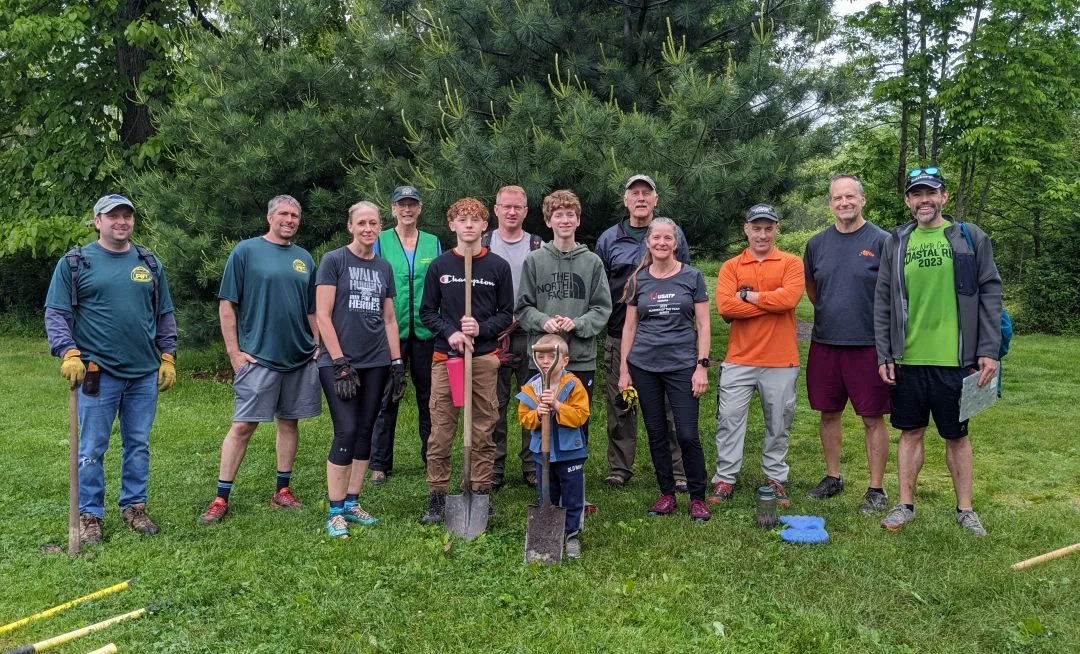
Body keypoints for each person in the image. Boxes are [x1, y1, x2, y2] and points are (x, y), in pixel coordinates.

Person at [874, 167, 1002, 536]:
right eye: (916, 194)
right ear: (908, 201)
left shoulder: (968, 237)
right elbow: (883, 300)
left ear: (944, 196)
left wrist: (988, 349)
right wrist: (885, 353)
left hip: (957, 359)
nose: (924, 200)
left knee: (957, 435)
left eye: (931, 193)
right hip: (908, 358)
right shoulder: (896, 242)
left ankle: (965, 510)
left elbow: (990, 293)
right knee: (910, 432)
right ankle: (904, 505)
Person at [44, 194, 177, 544]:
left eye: (127, 216)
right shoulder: (75, 263)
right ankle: (90, 515)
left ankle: (134, 507)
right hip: (97, 373)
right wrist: (68, 353)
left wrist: (168, 356)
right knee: (92, 447)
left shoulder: (147, 261)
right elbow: (56, 313)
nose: (121, 222)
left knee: (138, 443)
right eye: (113, 216)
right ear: (97, 220)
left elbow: (164, 313)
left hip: (143, 373)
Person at [199, 194, 321, 525]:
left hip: (298, 357)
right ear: (270, 217)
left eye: (295, 215)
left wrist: (318, 343)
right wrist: (234, 353)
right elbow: (227, 305)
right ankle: (221, 497)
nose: (290, 219)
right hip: (259, 357)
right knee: (242, 425)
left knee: (289, 422)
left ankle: (282, 491)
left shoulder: (304, 259)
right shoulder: (246, 252)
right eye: (283, 213)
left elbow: (311, 308)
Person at [417, 197, 514, 524]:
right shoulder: (441, 266)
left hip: (484, 358)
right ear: (452, 225)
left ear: (485, 225)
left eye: (475, 219)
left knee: (484, 427)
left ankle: (479, 492)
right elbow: (427, 312)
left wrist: (482, 328)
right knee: (441, 429)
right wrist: (453, 331)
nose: (469, 224)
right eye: (462, 219)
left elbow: (507, 313)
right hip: (448, 359)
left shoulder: (497, 267)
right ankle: (438, 496)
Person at [803, 175, 892, 514]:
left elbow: (893, 293)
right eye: (837, 198)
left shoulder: (882, 240)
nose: (844, 203)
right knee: (829, 412)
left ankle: (876, 488)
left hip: (868, 344)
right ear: (830, 204)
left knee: (872, 417)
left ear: (862, 200)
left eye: (850, 196)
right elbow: (814, 290)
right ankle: (833, 476)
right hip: (826, 341)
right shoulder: (816, 244)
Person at [315, 201, 404, 538]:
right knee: (346, 430)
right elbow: (323, 315)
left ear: (380, 227)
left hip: (376, 361)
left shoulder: (383, 267)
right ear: (350, 225)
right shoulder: (335, 261)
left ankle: (353, 502)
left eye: (374, 223)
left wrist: (396, 364)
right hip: (340, 363)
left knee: (366, 429)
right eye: (362, 223)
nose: (368, 229)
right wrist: (339, 362)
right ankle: (335, 509)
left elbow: (389, 318)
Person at [595, 174, 687, 490]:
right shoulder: (609, 239)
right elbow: (600, 287)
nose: (641, 198)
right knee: (620, 402)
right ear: (626, 200)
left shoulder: (671, 234)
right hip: (621, 331)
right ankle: (620, 468)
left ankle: (677, 469)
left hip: (663, 334)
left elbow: (683, 278)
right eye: (634, 193)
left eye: (647, 193)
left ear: (656, 200)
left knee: (670, 405)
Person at [617, 218, 712, 522]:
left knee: (686, 434)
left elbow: (704, 324)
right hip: (644, 366)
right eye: (655, 238)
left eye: (667, 238)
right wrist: (624, 370)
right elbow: (629, 327)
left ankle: (697, 497)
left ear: (676, 243)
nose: (661, 243)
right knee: (656, 432)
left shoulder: (692, 277)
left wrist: (702, 366)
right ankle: (667, 494)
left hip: (682, 365)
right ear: (648, 243)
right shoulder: (638, 280)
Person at [710, 204, 804, 508]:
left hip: (781, 359)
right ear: (746, 229)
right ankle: (725, 478)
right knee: (729, 419)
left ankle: (775, 477)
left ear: (776, 229)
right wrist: (771, 302)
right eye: (756, 227)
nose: (762, 234)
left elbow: (790, 299)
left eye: (768, 228)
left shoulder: (791, 262)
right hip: (739, 358)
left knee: (779, 422)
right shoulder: (731, 266)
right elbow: (726, 308)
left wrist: (748, 296)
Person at [516, 188, 611, 472]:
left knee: (576, 416)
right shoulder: (535, 260)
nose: (565, 220)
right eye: (559, 215)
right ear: (548, 221)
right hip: (543, 359)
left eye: (570, 215)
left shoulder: (592, 262)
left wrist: (578, 323)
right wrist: (542, 320)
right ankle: (540, 471)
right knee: (540, 413)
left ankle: (574, 473)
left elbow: (602, 307)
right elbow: (523, 307)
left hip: (579, 356)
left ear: (578, 220)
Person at [369, 185, 441, 485]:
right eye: (402, 205)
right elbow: (372, 280)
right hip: (391, 331)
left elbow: (440, 283)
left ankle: (432, 457)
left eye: (413, 204)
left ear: (420, 208)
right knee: (387, 397)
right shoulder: (381, 241)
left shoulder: (433, 242)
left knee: (430, 398)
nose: (407, 209)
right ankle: (379, 463)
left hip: (425, 331)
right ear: (393, 209)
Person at [485, 185, 543, 489]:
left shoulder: (537, 246)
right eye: (505, 206)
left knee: (531, 401)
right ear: (495, 210)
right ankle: (494, 467)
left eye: (517, 207)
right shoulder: (483, 243)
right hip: (491, 335)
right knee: (494, 403)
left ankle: (532, 465)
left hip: (529, 333)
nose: (511, 212)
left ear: (525, 211)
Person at [517, 334, 591, 559]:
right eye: (541, 356)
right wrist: (537, 415)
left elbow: (581, 415)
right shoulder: (531, 389)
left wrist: (558, 406)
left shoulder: (573, 385)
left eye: (552, 356)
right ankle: (549, 532)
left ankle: (571, 534)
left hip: (570, 453)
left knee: (572, 495)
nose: (546, 361)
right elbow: (524, 419)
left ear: (565, 361)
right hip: (543, 455)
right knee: (547, 493)